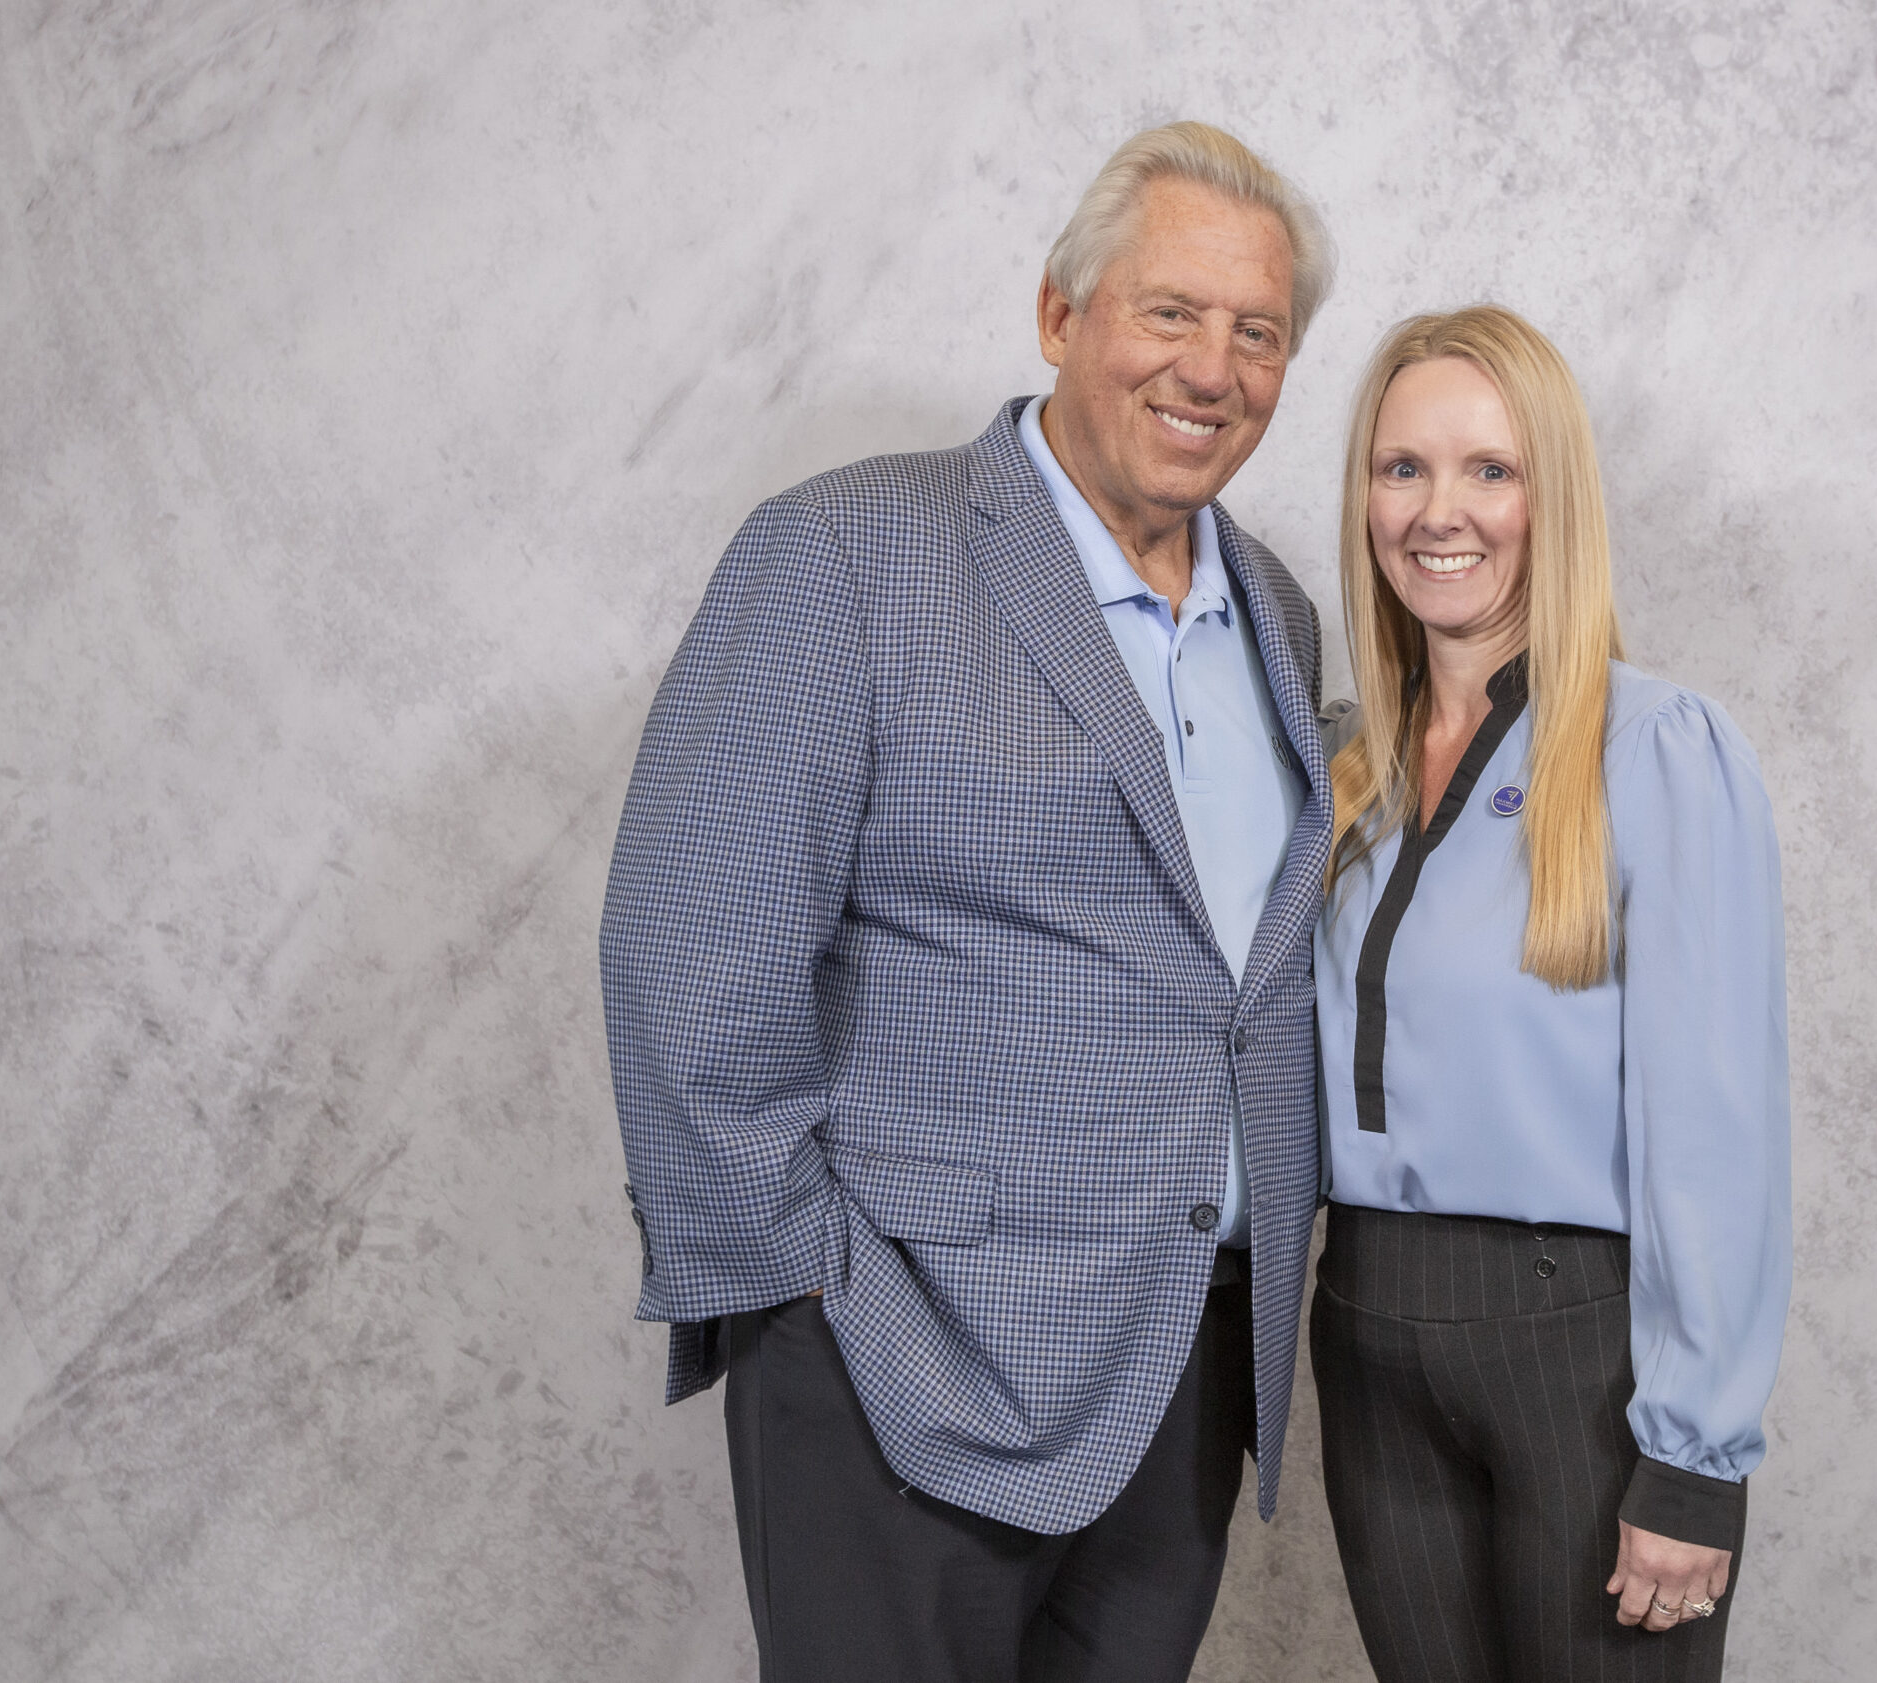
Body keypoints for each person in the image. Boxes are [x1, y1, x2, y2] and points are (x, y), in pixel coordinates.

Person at [599, 122, 1337, 1683]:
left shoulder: (1277, 611)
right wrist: (803, 1286)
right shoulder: (847, 553)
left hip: (1184, 1363)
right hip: (900, 1355)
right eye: (1169, 312)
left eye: (1258, 332)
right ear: (1061, 315)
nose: (1212, 369)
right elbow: (692, 952)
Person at [1309, 305, 1792, 1683]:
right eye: (1402, 468)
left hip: (1572, 1352)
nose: (1438, 513)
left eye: (1489, 470)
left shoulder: (1658, 752)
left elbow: (1716, 1127)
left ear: (1552, 496)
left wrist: (1694, 1455)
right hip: (1368, 1336)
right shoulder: (1343, 770)